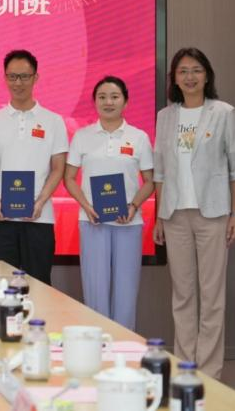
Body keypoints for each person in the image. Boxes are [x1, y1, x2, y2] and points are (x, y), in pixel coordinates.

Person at [153, 47, 235, 379]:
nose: (189, 77)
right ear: (174, 79)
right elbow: (160, 172)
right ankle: (185, 366)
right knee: (183, 294)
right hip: (175, 215)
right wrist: (159, 217)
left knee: (212, 295)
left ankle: (208, 372)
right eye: (183, 71)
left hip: (213, 214)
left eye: (196, 70)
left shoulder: (223, 113)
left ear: (207, 75)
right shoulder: (166, 116)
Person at [63, 76, 154, 330]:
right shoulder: (82, 136)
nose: (108, 102)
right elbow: (69, 178)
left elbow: (150, 181)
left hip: (129, 222)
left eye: (114, 97)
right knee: (95, 290)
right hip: (92, 221)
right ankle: (96, 345)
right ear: (94, 102)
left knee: (126, 291)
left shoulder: (138, 137)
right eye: (102, 97)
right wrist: (86, 206)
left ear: (125, 101)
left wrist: (133, 206)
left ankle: (124, 345)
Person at [0, 50, 67, 285]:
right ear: (5, 78)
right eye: (12, 77)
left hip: (39, 219)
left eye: (24, 76)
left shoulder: (53, 121)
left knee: (39, 286)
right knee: (1, 287)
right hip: (0, 218)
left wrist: (40, 202)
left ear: (35, 77)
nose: (18, 83)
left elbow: (58, 168)